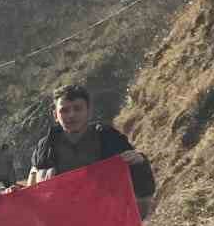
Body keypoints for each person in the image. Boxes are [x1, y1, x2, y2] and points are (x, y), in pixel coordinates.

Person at [28, 83, 156, 216]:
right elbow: (32, 194)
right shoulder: (45, 147)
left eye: (77, 109)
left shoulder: (111, 140)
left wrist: (140, 164)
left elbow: (143, 192)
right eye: (64, 110)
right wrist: (14, 193)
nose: (71, 115)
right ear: (55, 115)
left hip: (106, 222)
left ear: (89, 111)